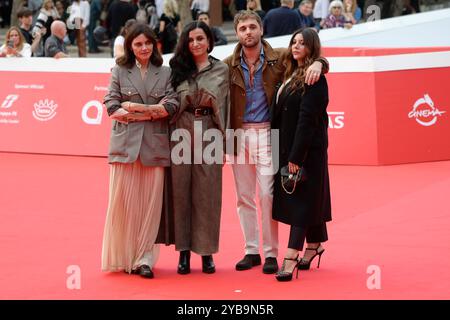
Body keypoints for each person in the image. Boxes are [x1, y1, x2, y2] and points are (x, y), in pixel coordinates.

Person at [223, 10, 328, 275]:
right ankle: (251, 251)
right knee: (243, 198)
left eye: (252, 27)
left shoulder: (278, 56)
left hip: (268, 134)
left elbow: (306, 54)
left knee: (268, 195)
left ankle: (271, 253)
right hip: (237, 134)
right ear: (237, 33)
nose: (248, 32)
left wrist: (321, 63)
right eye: (242, 28)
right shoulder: (227, 64)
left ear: (261, 29)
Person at [102, 23, 179, 279]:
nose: (144, 48)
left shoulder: (166, 72)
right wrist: (148, 112)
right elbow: (111, 103)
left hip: (154, 147)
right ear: (130, 46)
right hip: (125, 147)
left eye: (147, 43)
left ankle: (144, 258)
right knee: (123, 204)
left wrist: (137, 109)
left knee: (150, 206)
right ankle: (124, 257)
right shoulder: (119, 71)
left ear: (155, 45)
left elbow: (171, 104)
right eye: (138, 44)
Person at [167, 21, 229, 275]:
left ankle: (206, 253)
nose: (196, 44)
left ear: (209, 40)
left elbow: (227, 106)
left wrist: (226, 143)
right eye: (191, 39)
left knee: (208, 194)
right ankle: (183, 253)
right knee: (180, 191)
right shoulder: (177, 68)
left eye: (200, 38)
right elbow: (168, 101)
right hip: (181, 128)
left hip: (210, 131)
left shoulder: (221, 69)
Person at [271, 28, 332, 282]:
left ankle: (290, 256)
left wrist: (296, 157)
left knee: (300, 201)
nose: (296, 46)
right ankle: (315, 244)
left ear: (312, 47)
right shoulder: (290, 71)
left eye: (302, 43)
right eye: (293, 42)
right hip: (287, 147)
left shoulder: (313, 77)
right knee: (309, 196)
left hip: (306, 151)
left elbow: (307, 120)